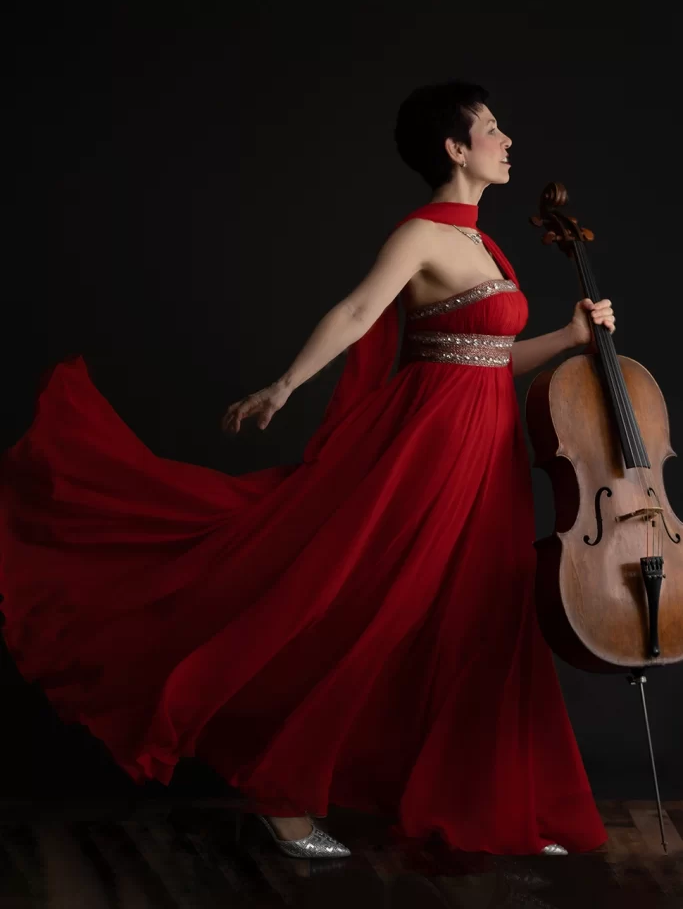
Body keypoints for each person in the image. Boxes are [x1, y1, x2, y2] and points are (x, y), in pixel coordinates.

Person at [0, 80, 615, 860]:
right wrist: (284, 386)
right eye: (492, 130)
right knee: (366, 606)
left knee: (477, 624)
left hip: (486, 453)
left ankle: (485, 809)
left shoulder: (483, 243)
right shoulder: (422, 233)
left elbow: (487, 360)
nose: (508, 141)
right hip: (426, 452)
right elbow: (359, 313)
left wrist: (565, 338)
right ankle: (277, 793)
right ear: (454, 149)